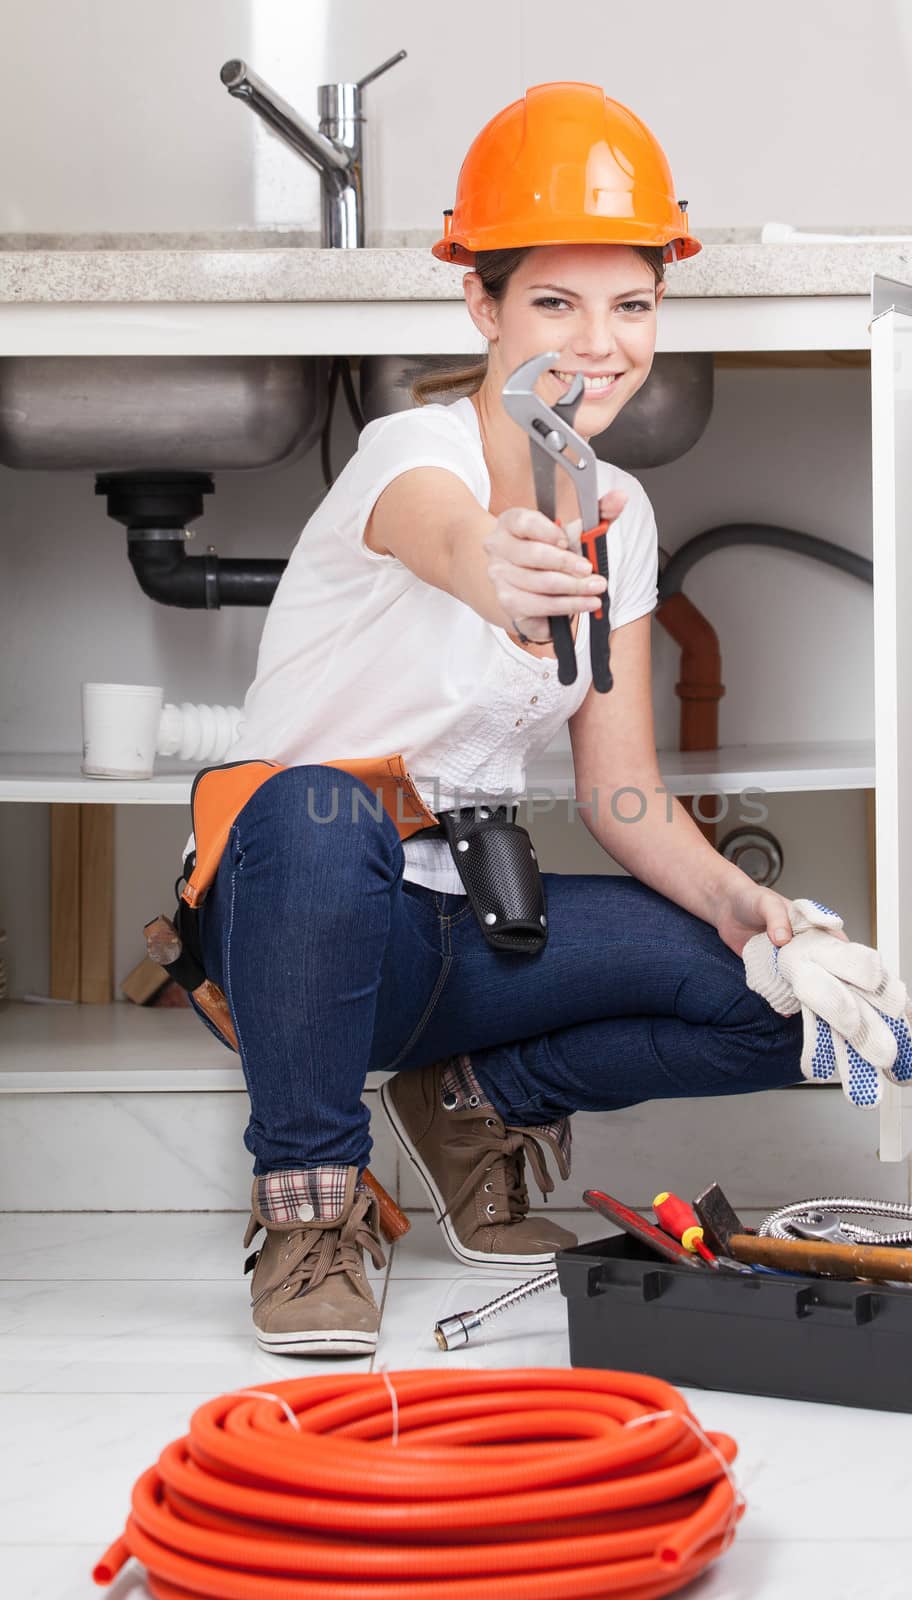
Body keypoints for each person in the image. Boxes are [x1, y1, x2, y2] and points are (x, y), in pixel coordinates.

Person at [185, 82, 810, 1358]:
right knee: (315, 804)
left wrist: (732, 902)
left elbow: (618, 790)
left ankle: (472, 1107)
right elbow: (449, 534)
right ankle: (307, 1215)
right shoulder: (404, 455)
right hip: (293, 932)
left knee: (777, 1002)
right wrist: (494, 560)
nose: (599, 344)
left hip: (457, 937)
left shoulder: (619, 514)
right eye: (553, 303)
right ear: (480, 302)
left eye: (631, 305)